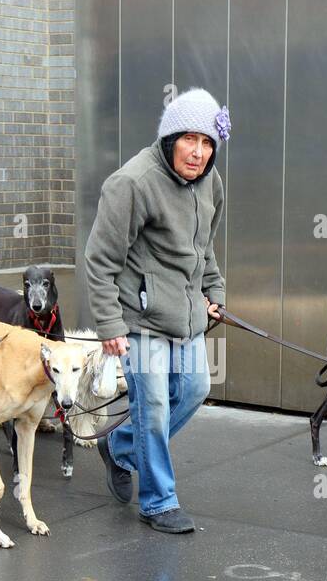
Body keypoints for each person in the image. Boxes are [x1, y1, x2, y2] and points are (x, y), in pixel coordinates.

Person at [84, 87, 230, 534]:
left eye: (207, 143)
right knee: (152, 407)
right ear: (170, 139)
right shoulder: (132, 183)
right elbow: (100, 260)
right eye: (190, 139)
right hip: (139, 317)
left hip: (186, 315)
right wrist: (109, 324)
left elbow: (203, 250)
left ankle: (121, 448)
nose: (198, 152)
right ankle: (158, 501)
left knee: (194, 390)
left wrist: (215, 292)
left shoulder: (210, 184)